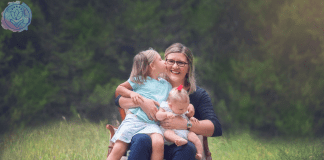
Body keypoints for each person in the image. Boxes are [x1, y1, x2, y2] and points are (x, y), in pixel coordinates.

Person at [115, 43, 222, 160]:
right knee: (141, 139)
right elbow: (118, 100)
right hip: (150, 137)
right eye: (170, 61)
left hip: (177, 142)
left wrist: (186, 124)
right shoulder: (152, 84)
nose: (175, 66)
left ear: (189, 67)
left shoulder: (196, 94)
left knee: (188, 148)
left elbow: (215, 127)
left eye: (180, 63)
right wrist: (142, 102)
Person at [107, 48, 171, 160]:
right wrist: (131, 94)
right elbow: (120, 88)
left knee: (159, 142)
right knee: (119, 147)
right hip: (134, 120)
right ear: (152, 66)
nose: (165, 62)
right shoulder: (140, 80)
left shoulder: (167, 85)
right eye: (160, 59)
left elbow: (176, 93)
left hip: (152, 124)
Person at [156, 84, 203, 160]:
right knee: (167, 133)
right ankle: (178, 140)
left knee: (193, 136)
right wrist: (166, 114)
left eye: (186, 107)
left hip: (184, 132)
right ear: (170, 105)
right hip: (170, 133)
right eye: (181, 109)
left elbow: (187, 116)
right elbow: (158, 115)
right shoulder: (165, 107)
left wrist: (192, 118)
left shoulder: (183, 108)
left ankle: (199, 153)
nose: (184, 111)